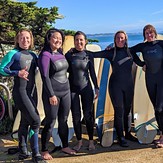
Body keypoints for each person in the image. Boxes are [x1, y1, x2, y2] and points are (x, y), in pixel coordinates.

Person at [92, 30, 145, 147]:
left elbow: (141, 63)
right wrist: (77, 51)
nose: (120, 40)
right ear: (114, 40)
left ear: (126, 39)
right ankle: (121, 137)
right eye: (118, 38)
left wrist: (152, 64)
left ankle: (128, 134)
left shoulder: (131, 52)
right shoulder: (111, 53)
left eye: (122, 38)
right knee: (119, 111)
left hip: (128, 85)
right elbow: (94, 54)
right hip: (115, 86)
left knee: (128, 110)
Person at [0, 28, 46, 163]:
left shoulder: (33, 55)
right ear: (17, 40)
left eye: (27, 38)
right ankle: (36, 155)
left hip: (32, 92)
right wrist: (17, 73)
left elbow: (44, 66)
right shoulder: (13, 54)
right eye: (22, 38)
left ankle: (23, 151)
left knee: (25, 122)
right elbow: (1, 69)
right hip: (21, 93)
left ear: (31, 40)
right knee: (36, 121)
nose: (25, 40)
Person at [38, 28, 76, 160]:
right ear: (49, 39)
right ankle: (43, 150)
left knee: (63, 120)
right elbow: (45, 76)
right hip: (52, 93)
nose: (58, 40)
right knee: (50, 121)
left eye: (60, 38)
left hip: (65, 91)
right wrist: (51, 95)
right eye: (55, 38)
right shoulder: (45, 55)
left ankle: (65, 146)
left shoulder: (61, 54)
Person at [130, 24, 163, 148]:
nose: (149, 35)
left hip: (161, 80)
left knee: (160, 108)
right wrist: (140, 63)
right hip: (149, 79)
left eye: (150, 33)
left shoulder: (161, 44)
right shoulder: (143, 46)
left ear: (154, 33)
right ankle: (161, 135)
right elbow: (130, 50)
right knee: (156, 109)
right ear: (144, 36)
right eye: (146, 34)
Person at [65, 31, 99, 151]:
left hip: (86, 88)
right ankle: (79, 141)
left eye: (81, 40)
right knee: (75, 116)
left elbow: (93, 73)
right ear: (74, 42)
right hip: (72, 89)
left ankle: (90, 141)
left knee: (88, 115)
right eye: (77, 40)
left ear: (85, 41)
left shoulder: (89, 55)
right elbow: (62, 69)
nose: (79, 42)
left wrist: (97, 87)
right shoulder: (69, 55)